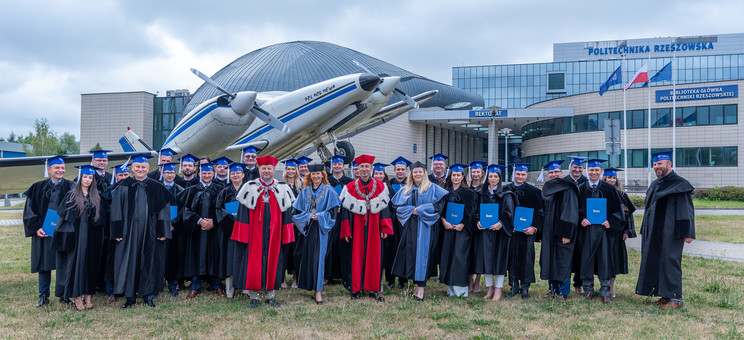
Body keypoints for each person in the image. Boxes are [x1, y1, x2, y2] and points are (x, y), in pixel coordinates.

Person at [110, 153, 173, 308]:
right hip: (128, 232)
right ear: (132, 168)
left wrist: (163, 231)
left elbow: (164, 211)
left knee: (150, 262)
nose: (140, 169)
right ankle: (129, 297)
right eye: (137, 166)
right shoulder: (123, 186)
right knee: (128, 262)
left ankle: (148, 295)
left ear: (148, 168)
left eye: (143, 167)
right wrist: (117, 232)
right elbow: (116, 210)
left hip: (150, 232)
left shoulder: (156, 186)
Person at [232, 155, 296, 308]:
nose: (266, 171)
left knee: (274, 262)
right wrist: (243, 234)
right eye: (263, 168)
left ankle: (270, 296)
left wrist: (286, 234)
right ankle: (254, 296)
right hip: (254, 233)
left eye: (269, 168)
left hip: (275, 233)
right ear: (259, 169)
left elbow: (287, 214)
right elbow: (242, 213)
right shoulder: (249, 186)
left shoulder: (282, 188)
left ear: (274, 170)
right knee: (253, 262)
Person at [636, 151, 695, 310]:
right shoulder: (656, 184)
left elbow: (686, 210)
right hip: (655, 231)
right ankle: (664, 295)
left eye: (660, 164)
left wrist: (687, 232)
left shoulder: (679, 184)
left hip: (671, 231)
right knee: (657, 261)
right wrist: (645, 229)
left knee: (670, 262)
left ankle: (675, 299)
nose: (657, 167)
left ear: (669, 164)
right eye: (655, 164)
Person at [390, 161, 448, 301]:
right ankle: (416, 288)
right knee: (412, 256)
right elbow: (396, 206)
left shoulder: (433, 188)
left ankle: (421, 290)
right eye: (415, 172)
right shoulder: (406, 189)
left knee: (423, 257)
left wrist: (419, 210)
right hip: (410, 228)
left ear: (424, 173)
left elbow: (438, 206)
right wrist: (412, 211)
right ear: (411, 174)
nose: (417, 174)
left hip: (426, 227)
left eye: (420, 172)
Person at [339, 154, 393, 302]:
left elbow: (385, 209)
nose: (364, 169)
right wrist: (346, 231)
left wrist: (385, 227)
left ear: (371, 168)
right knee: (356, 257)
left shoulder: (381, 186)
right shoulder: (349, 187)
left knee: (374, 257)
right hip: (356, 226)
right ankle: (356, 289)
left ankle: (373, 288)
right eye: (361, 167)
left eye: (366, 167)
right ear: (357, 169)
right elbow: (345, 212)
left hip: (375, 227)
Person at [53, 165, 107, 311]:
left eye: (90, 177)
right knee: (77, 266)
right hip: (77, 237)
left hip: (93, 237)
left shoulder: (98, 196)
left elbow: (102, 219)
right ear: (80, 178)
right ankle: (77, 297)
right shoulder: (71, 195)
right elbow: (64, 219)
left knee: (91, 266)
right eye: (85, 177)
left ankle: (89, 297)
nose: (87, 180)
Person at [23, 155, 75, 307]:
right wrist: (36, 228)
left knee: (64, 264)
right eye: (57, 168)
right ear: (49, 169)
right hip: (43, 233)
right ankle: (43, 296)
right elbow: (29, 211)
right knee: (44, 265)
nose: (60, 170)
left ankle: (65, 296)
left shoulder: (71, 186)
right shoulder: (37, 187)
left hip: (64, 232)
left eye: (63, 168)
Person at [577, 159, 625, 304]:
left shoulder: (609, 189)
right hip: (587, 231)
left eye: (597, 170)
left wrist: (610, 221)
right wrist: (581, 219)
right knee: (587, 259)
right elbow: (574, 209)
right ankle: (588, 290)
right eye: (591, 170)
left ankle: (605, 291)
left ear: (601, 172)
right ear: (587, 171)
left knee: (604, 259)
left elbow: (618, 210)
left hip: (604, 231)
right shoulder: (580, 189)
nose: (594, 173)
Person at [292, 164, 341, 304]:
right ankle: (310, 286)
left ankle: (318, 291)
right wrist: (308, 217)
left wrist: (320, 216)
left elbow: (333, 212)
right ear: (310, 175)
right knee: (307, 258)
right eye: (313, 174)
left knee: (318, 260)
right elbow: (295, 212)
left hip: (321, 229)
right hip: (307, 229)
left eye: (319, 174)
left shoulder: (329, 191)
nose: (316, 176)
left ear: (323, 175)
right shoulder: (304, 191)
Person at [180, 162, 225, 298]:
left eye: (209, 173)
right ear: (199, 174)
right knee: (196, 256)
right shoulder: (192, 190)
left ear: (213, 174)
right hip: (197, 231)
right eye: (204, 173)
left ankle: (217, 285)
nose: (206, 175)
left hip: (214, 231)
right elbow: (185, 210)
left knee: (214, 256)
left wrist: (214, 221)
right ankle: (195, 286)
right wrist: (200, 221)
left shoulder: (220, 190)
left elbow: (225, 210)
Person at [473, 164, 515, 301]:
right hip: (486, 232)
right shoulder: (482, 193)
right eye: (490, 176)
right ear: (487, 177)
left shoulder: (506, 194)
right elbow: (477, 211)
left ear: (500, 178)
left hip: (499, 233)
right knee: (487, 259)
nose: (492, 178)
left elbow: (509, 213)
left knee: (499, 260)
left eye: (495, 176)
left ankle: (498, 289)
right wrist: (478, 220)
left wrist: (501, 224)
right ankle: (489, 288)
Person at [540, 160, 580, 301]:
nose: (553, 174)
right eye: (550, 172)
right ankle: (552, 289)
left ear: (561, 173)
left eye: (556, 172)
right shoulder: (548, 188)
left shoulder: (568, 188)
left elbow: (571, 212)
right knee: (549, 259)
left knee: (562, 261)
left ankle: (562, 292)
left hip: (562, 232)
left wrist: (566, 233)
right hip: (549, 232)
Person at [505, 163, 543, 299]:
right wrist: (508, 226)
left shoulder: (534, 192)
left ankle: (525, 287)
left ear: (526, 175)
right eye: (518, 174)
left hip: (527, 232)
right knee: (512, 258)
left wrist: (534, 227)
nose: (520, 176)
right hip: (511, 232)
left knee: (526, 258)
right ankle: (513, 285)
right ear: (513, 174)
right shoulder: (506, 190)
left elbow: (540, 212)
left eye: (522, 174)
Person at [439, 163, 477, 297]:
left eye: (458, 175)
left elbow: (471, 213)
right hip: (448, 229)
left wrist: (463, 224)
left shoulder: (469, 193)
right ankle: (450, 289)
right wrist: (443, 221)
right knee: (448, 257)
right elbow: (440, 211)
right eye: (453, 175)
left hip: (462, 232)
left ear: (462, 177)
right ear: (451, 176)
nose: (455, 177)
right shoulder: (445, 192)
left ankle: (461, 290)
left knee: (460, 257)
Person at [601, 167, 637, 297]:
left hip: (616, 233)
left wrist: (627, 231)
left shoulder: (621, 195)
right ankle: (600, 286)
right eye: (609, 177)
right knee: (601, 259)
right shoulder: (599, 192)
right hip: (601, 231)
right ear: (604, 178)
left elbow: (628, 214)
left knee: (614, 259)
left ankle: (611, 286)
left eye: (613, 177)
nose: (611, 180)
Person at [215, 162, 247, 299]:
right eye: (232, 173)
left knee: (245, 257)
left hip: (246, 229)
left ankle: (246, 287)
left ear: (243, 175)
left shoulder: (249, 191)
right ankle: (230, 289)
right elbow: (219, 210)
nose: (235, 175)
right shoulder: (225, 192)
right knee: (230, 258)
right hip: (229, 231)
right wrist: (231, 224)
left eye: (237, 173)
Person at [101, 163, 130, 303]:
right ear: (116, 176)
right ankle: (111, 291)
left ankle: (127, 288)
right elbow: (105, 214)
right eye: (121, 175)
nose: (123, 178)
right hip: (113, 234)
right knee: (111, 262)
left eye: (126, 175)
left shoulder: (135, 189)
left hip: (131, 232)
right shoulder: (109, 191)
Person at [326, 155, 353, 288]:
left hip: (344, 217)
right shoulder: (326, 181)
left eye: (339, 164)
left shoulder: (350, 181)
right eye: (335, 164)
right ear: (332, 166)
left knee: (344, 245)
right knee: (329, 246)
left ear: (343, 166)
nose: (337, 166)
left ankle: (344, 275)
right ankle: (328, 275)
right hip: (330, 217)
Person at [160, 162, 186, 297]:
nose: (169, 175)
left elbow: (183, 210)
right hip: (159, 228)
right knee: (158, 256)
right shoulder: (157, 188)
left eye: (172, 173)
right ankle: (158, 283)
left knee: (173, 257)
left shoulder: (181, 190)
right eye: (167, 173)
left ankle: (172, 283)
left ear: (175, 174)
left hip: (175, 229)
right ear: (162, 174)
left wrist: (174, 224)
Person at [565, 155, 588, 294]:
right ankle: (564, 282)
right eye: (575, 167)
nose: (577, 170)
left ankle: (578, 283)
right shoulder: (564, 182)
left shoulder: (586, 182)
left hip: (582, 225)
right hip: (568, 223)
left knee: (580, 255)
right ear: (570, 168)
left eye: (580, 167)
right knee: (566, 255)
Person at [282, 158, 303, 288]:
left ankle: (295, 279)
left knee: (296, 251)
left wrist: (297, 220)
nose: (291, 171)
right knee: (284, 251)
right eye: (288, 169)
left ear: (296, 171)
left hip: (297, 225)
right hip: (284, 223)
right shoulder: (280, 185)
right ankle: (282, 279)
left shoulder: (301, 185)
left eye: (293, 169)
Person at [467, 160, 487, 293]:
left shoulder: (485, 189)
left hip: (481, 224)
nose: (475, 174)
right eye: (473, 171)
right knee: (468, 251)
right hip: (468, 224)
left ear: (482, 173)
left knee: (479, 252)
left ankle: (478, 279)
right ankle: (469, 280)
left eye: (477, 172)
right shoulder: (466, 188)